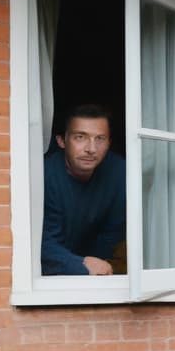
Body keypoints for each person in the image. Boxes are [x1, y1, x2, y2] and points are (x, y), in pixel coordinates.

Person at [41, 104, 126, 275]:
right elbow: (40, 243)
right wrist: (79, 264)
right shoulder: (45, 175)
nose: (91, 149)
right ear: (61, 141)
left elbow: (113, 233)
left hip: (94, 265)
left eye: (100, 139)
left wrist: (93, 263)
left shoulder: (119, 171)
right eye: (80, 137)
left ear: (109, 143)